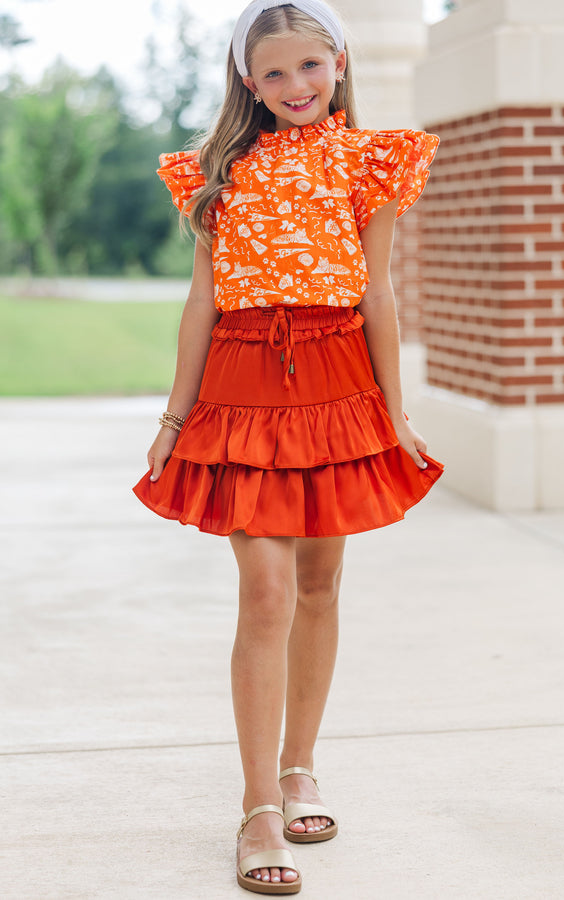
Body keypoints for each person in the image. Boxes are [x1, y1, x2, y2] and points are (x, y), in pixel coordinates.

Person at [133, 0, 443, 893]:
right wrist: (172, 417)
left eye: (310, 66)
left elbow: (379, 296)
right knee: (265, 590)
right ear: (247, 81)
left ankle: (301, 762)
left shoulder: (368, 161)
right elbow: (201, 302)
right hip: (240, 386)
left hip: (338, 380)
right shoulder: (218, 172)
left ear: (339, 63)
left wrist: (396, 411)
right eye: (273, 72)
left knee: (319, 582)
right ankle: (259, 805)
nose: (294, 86)